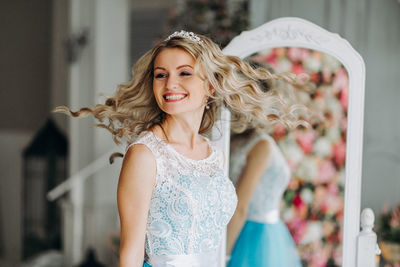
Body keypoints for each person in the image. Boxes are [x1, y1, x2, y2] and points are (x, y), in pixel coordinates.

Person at [55, 30, 304, 267]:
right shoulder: (145, 154)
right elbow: (130, 253)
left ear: (210, 86)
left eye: (184, 73)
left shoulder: (213, 155)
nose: (170, 84)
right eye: (161, 75)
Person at [227, 129, 302, 267]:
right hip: (255, 234)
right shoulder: (261, 146)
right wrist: (223, 255)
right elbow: (240, 208)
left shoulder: (253, 143)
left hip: (265, 231)